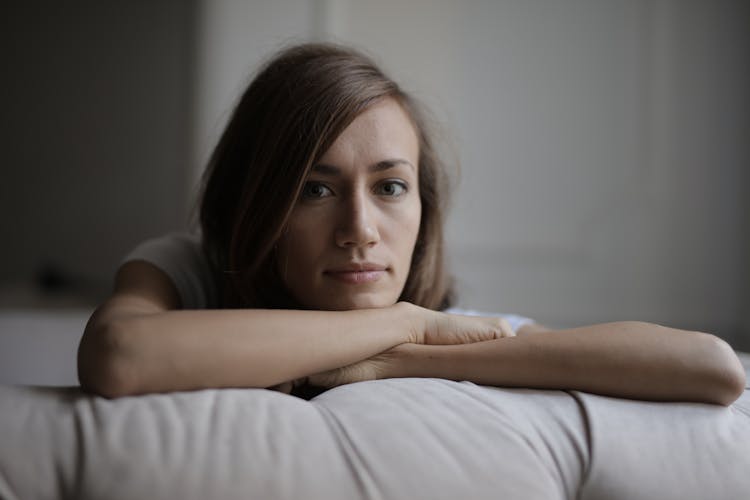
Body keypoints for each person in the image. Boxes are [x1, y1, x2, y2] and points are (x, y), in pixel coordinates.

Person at [77, 43, 745, 404]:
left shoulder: (452, 336)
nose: (360, 228)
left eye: (391, 186)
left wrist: (401, 360)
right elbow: (119, 356)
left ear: (423, 207)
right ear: (258, 203)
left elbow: (713, 368)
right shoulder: (188, 266)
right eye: (315, 189)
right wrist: (404, 321)